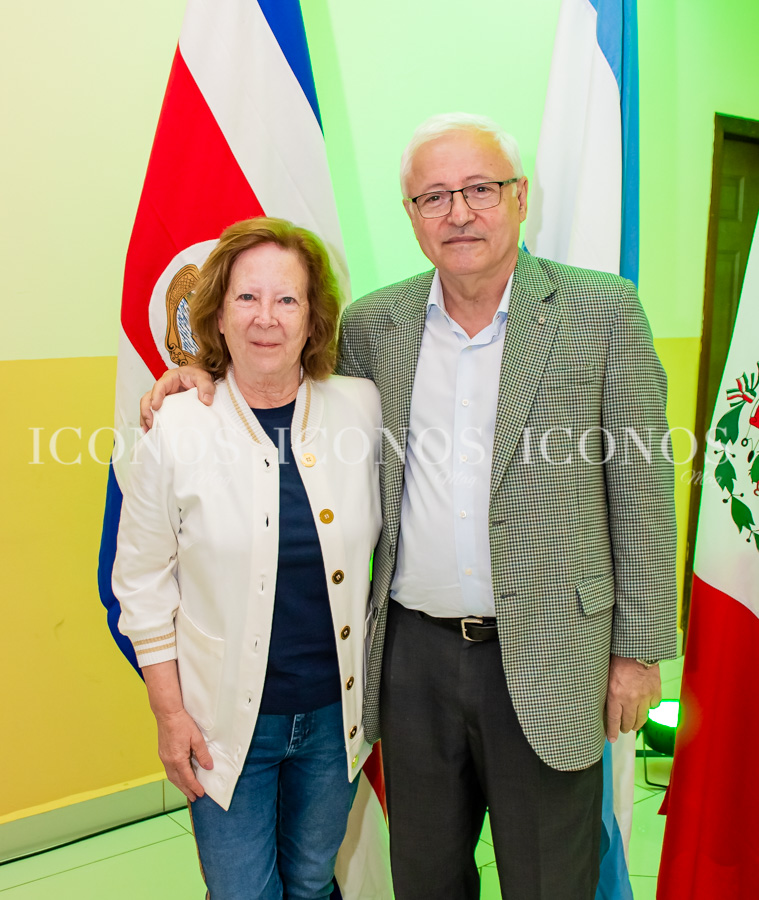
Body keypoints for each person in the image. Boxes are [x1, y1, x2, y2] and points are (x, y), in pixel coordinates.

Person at [141, 114, 678, 899]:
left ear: (519, 197)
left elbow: (641, 493)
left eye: (479, 189)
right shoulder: (374, 325)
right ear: (412, 214)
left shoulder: (601, 312)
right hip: (411, 658)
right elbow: (283, 380)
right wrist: (197, 379)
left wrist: (637, 651)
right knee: (424, 876)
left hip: (551, 650)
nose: (458, 212)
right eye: (433, 196)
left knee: (549, 879)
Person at [115, 217, 382, 900]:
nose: (267, 317)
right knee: (241, 891)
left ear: (313, 318)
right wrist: (169, 716)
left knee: (312, 881)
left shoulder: (360, 409)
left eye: (287, 299)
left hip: (335, 717)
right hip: (222, 723)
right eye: (247, 298)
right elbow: (141, 584)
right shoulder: (177, 425)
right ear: (217, 314)